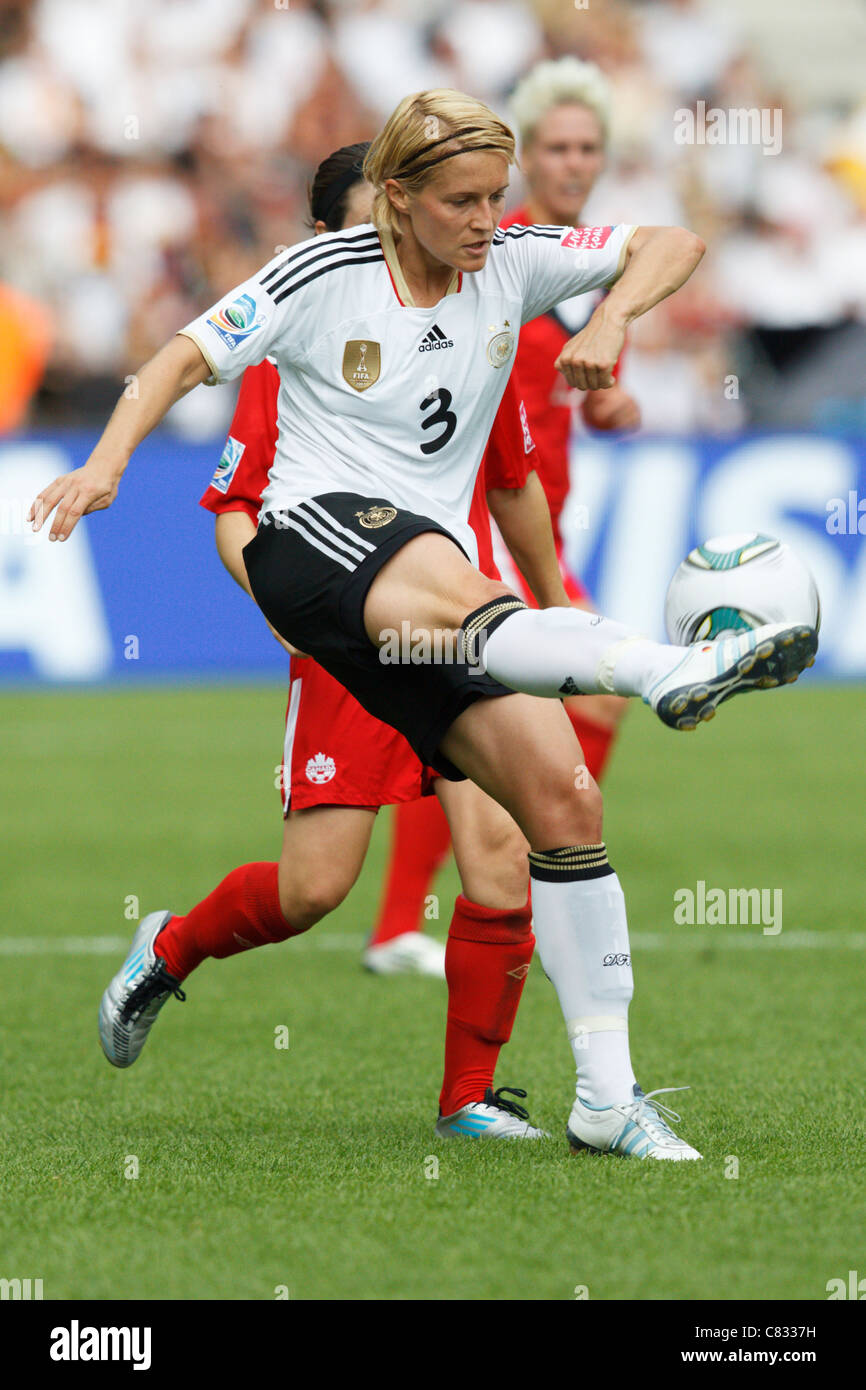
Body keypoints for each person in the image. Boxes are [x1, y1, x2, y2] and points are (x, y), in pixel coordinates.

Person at [31, 89, 817, 1160]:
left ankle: (599, 1095)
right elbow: (178, 357)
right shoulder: (320, 277)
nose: (489, 219)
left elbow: (669, 242)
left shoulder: (511, 265)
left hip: (438, 595)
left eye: (497, 197)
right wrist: (105, 464)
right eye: (463, 201)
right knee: (452, 603)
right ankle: (663, 667)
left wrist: (613, 315)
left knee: (558, 801)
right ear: (395, 201)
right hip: (313, 562)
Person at [369, 58, 640, 953]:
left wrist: (610, 400)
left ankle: (504, 864)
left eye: (588, 147)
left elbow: (584, 397)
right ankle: (422, 912)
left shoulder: (593, 274)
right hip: (475, 515)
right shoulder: (496, 255)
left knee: (570, 706)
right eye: (556, 146)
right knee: (506, 715)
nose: (573, 162)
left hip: (540, 515)